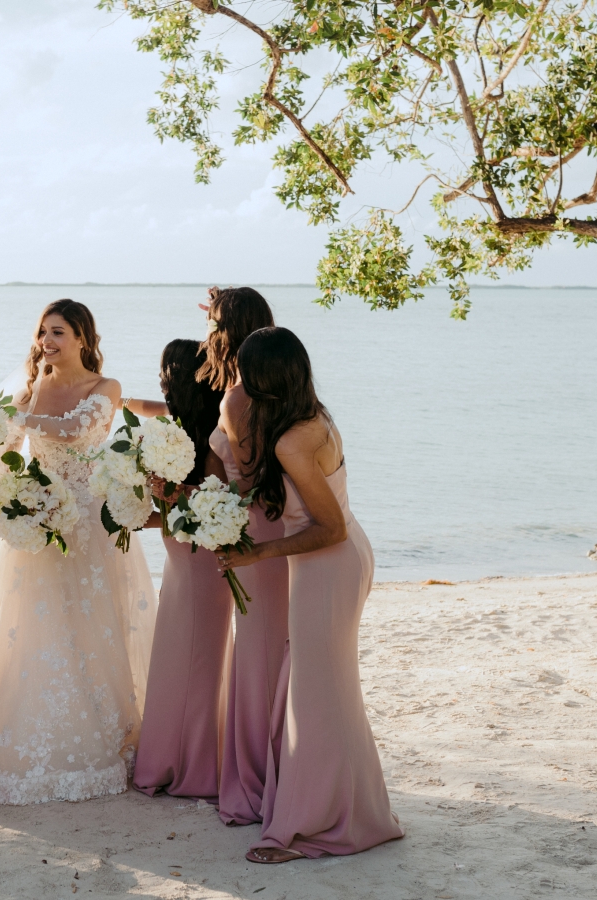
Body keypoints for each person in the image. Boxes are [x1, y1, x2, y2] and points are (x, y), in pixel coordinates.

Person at [217, 326, 404, 863]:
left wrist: (258, 554)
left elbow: (329, 529)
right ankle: (352, 812)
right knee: (328, 691)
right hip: (335, 562)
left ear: (264, 380)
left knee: (317, 697)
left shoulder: (292, 440)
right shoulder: (312, 415)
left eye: (245, 376)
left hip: (328, 566)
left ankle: (314, 828)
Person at [0, 299, 158, 805]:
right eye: (42, 333)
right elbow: (1, 445)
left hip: (91, 524)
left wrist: (20, 416)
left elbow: (74, 431)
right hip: (38, 518)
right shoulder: (29, 386)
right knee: (36, 629)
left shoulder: (105, 389)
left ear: (81, 338)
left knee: (93, 626)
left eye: (57, 333)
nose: (46, 342)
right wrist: (14, 501)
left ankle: (108, 733)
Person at [198, 287, 290, 827]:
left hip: (254, 533)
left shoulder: (238, 397)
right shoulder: (266, 390)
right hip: (271, 529)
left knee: (256, 657)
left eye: (213, 323)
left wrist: (208, 509)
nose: (208, 334)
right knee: (267, 653)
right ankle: (274, 770)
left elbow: (248, 481)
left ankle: (255, 781)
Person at [127, 339, 232, 799]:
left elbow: (214, 504)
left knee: (195, 658)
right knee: (181, 655)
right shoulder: (181, 424)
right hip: (181, 556)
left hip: (200, 559)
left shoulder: (207, 438)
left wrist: (167, 497)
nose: (158, 380)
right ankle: (175, 755)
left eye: (163, 371)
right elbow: (142, 405)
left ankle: (193, 765)